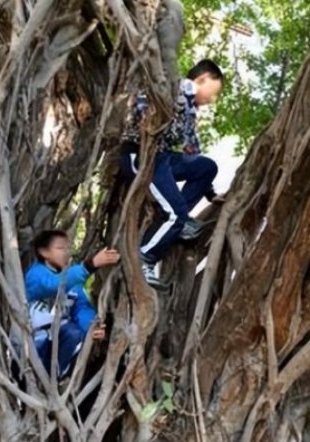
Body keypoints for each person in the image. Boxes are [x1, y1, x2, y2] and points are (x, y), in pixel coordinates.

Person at [118, 59, 224, 287]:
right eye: (213, 92)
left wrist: (210, 194)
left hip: (163, 157)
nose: (212, 99)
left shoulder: (191, 108)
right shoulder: (177, 88)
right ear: (202, 79)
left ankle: (181, 217)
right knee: (175, 214)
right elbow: (140, 109)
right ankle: (143, 259)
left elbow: (190, 152)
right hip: (142, 157)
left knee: (207, 167)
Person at [25, 230, 120, 378]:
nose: (66, 253)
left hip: (60, 347)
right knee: (70, 330)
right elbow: (55, 285)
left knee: (75, 333)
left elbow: (81, 309)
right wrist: (90, 266)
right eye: (60, 248)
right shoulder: (36, 275)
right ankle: (47, 377)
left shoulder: (74, 285)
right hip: (33, 347)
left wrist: (92, 328)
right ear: (43, 252)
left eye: (68, 248)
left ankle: (57, 377)